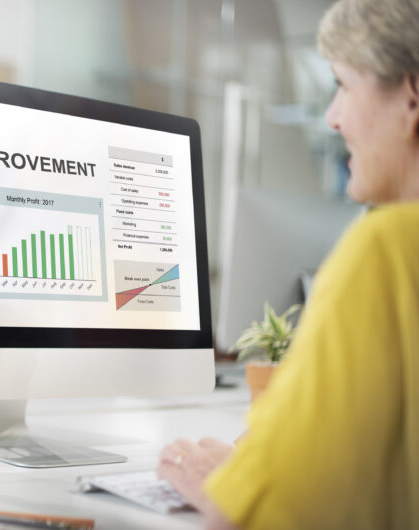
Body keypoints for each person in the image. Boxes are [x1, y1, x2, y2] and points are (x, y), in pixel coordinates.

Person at [156, 0, 419, 528]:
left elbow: (270, 514)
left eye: (344, 84)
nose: (332, 116)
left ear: (411, 96)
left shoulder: (386, 248)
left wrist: (234, 482)